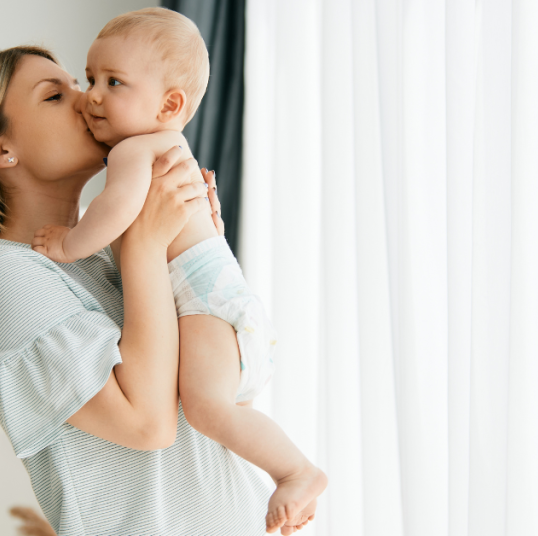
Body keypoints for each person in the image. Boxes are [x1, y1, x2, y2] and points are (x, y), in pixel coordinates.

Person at [0, 46, 314, 535]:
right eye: (54, 95)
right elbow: (148, 425)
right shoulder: (2, 278)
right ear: (0, 150)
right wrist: (148, 244)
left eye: (81, 82)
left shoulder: (109, 252)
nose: (87, 99)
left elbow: (220, 403)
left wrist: (197, 252)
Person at [31, 9, 326, 533]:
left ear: (170, 104)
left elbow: (118, 210)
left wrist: (68, 243)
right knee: (210, 414)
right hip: (219, 305)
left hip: (208, 304)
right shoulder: (164, 149)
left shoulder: (136, 150)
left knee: (209, 413)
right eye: (91, 78)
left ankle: (297, 471)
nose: (93, 95)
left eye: (113, 82)